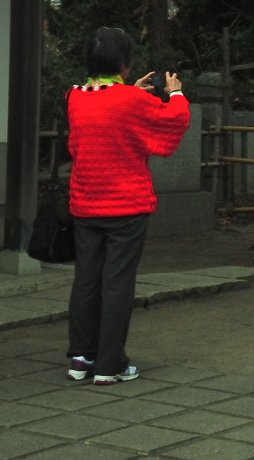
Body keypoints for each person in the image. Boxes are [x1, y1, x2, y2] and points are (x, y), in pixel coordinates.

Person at [65, 28, 190, 385]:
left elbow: (105, 107)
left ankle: (81, 358)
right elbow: (174, 120)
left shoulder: (75, 96)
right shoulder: (132, 101)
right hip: (126, 205)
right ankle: (110, 365)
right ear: (124, 63)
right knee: (117, 283)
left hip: (85, 203)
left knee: (86, 280)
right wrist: (176, 93)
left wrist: (129, 88)